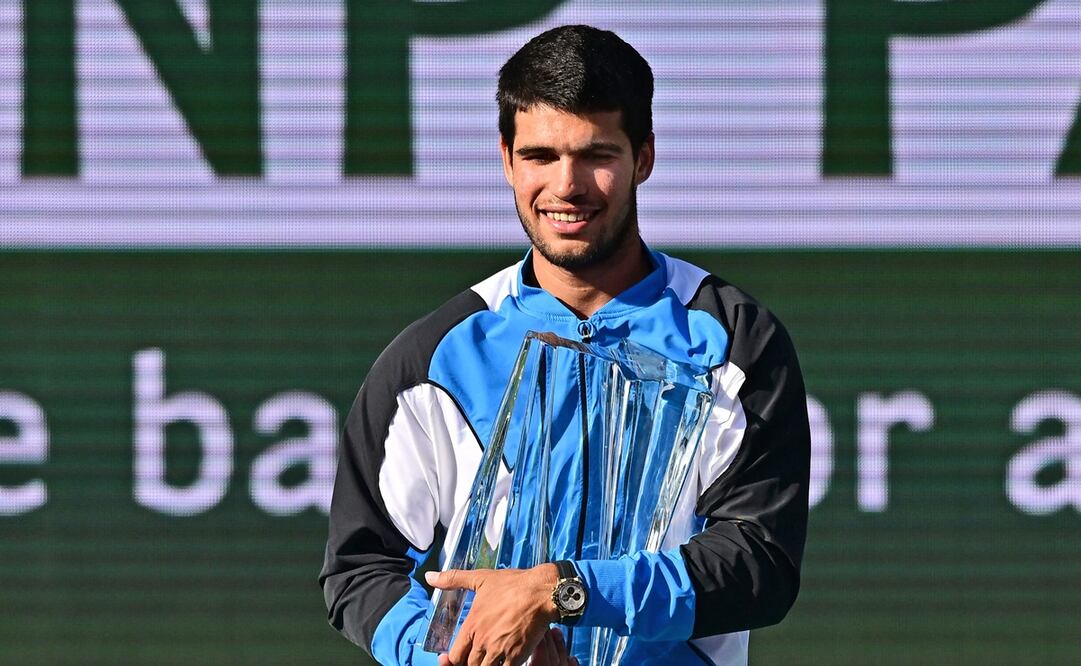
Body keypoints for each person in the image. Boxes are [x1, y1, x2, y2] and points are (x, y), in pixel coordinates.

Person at [320, 24, 810, 666]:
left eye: (596, 155)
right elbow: (360, 568)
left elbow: (759, 564)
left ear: (645, 157)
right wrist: (459, 653)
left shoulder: (735, 341)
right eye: (541, 156)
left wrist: (562, 591)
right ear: (506, 159)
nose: (567, 186)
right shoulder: (437, 356)